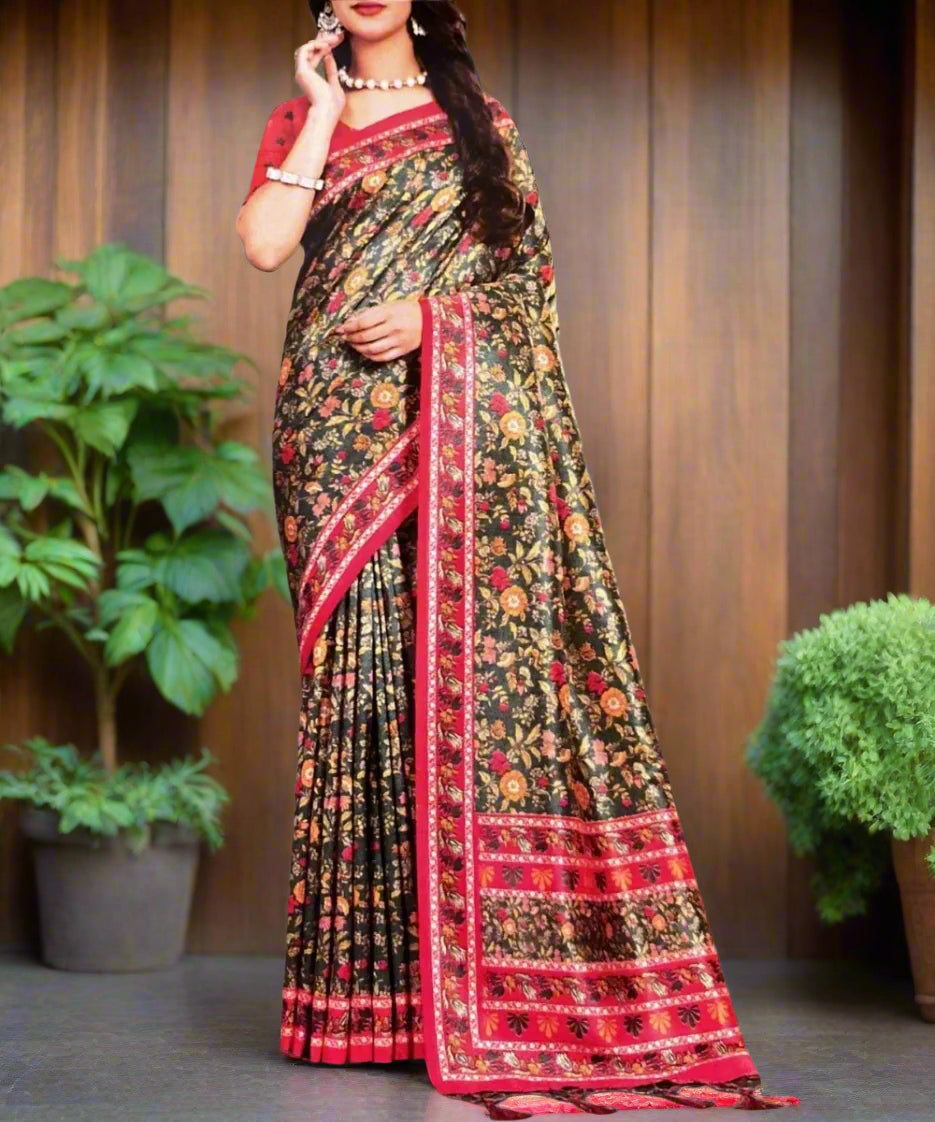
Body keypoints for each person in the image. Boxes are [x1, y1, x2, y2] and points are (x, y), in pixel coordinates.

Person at [236, 2, 801, 1117]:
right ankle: (366, 1002)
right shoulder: (299, 116)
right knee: (359, 693)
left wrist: (430, 319)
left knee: (446, 698)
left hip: (448, 429)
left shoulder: (480, 125)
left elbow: (527, 302)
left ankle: (471, 992)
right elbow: (261, 246)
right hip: (334, 432)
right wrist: (320, 110)